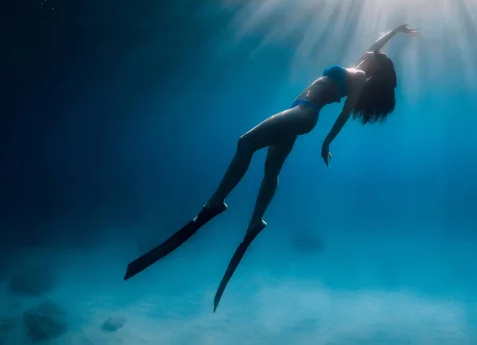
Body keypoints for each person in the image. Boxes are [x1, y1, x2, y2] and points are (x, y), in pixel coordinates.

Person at [123, 24, 419, 311]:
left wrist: (326, 143)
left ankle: (215, 203)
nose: (370, 53)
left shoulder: (358, 80)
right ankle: (256, 222)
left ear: (376, 69)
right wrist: (394, 31)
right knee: (271, 169)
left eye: (375, 58)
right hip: (297, 110)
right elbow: (374, 47)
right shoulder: (359, 68)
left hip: (305, 113)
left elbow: (343, 114)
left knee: (245, 143)